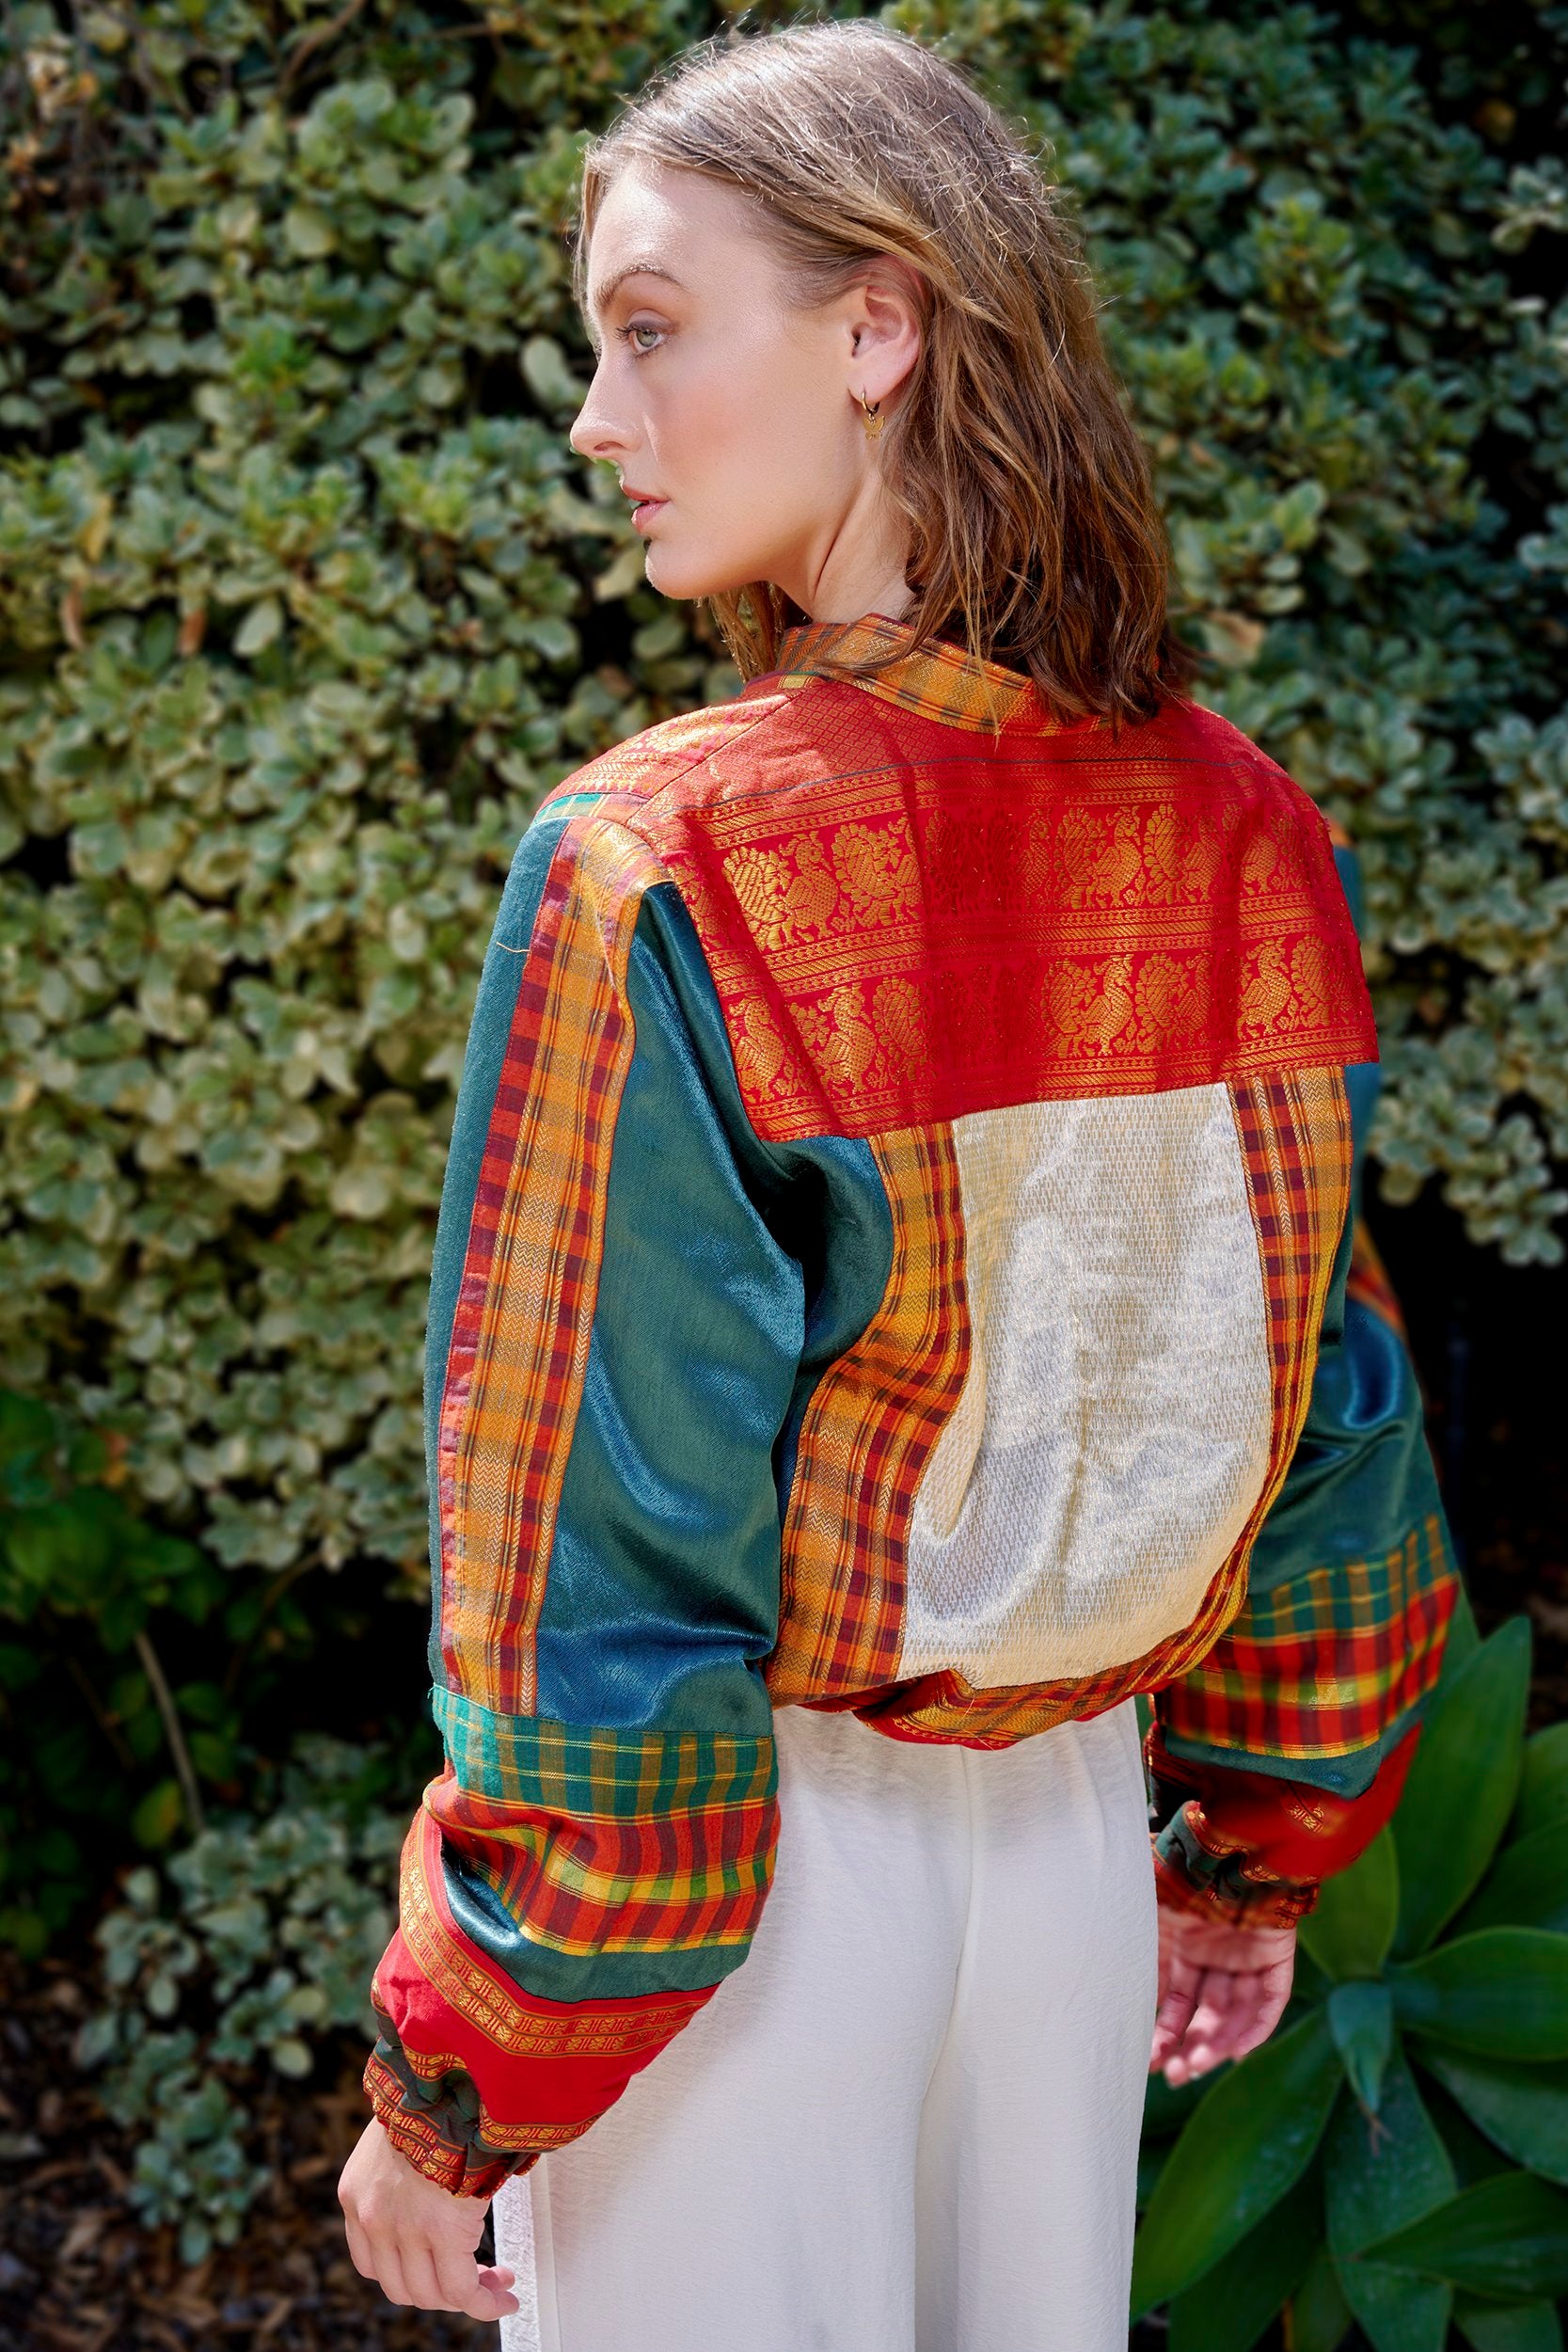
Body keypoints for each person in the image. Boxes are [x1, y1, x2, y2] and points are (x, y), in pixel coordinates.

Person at [336, 21, 1460, 2349]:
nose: (596, 416)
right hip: (1066, 1867)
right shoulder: (1239, 827)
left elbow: (606, 1550)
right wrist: (1253, 1849)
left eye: (652, 329)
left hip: (747, 1917)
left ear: (881, 322)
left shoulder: (664, 858)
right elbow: (1334, 1413)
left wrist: (454, 2081)